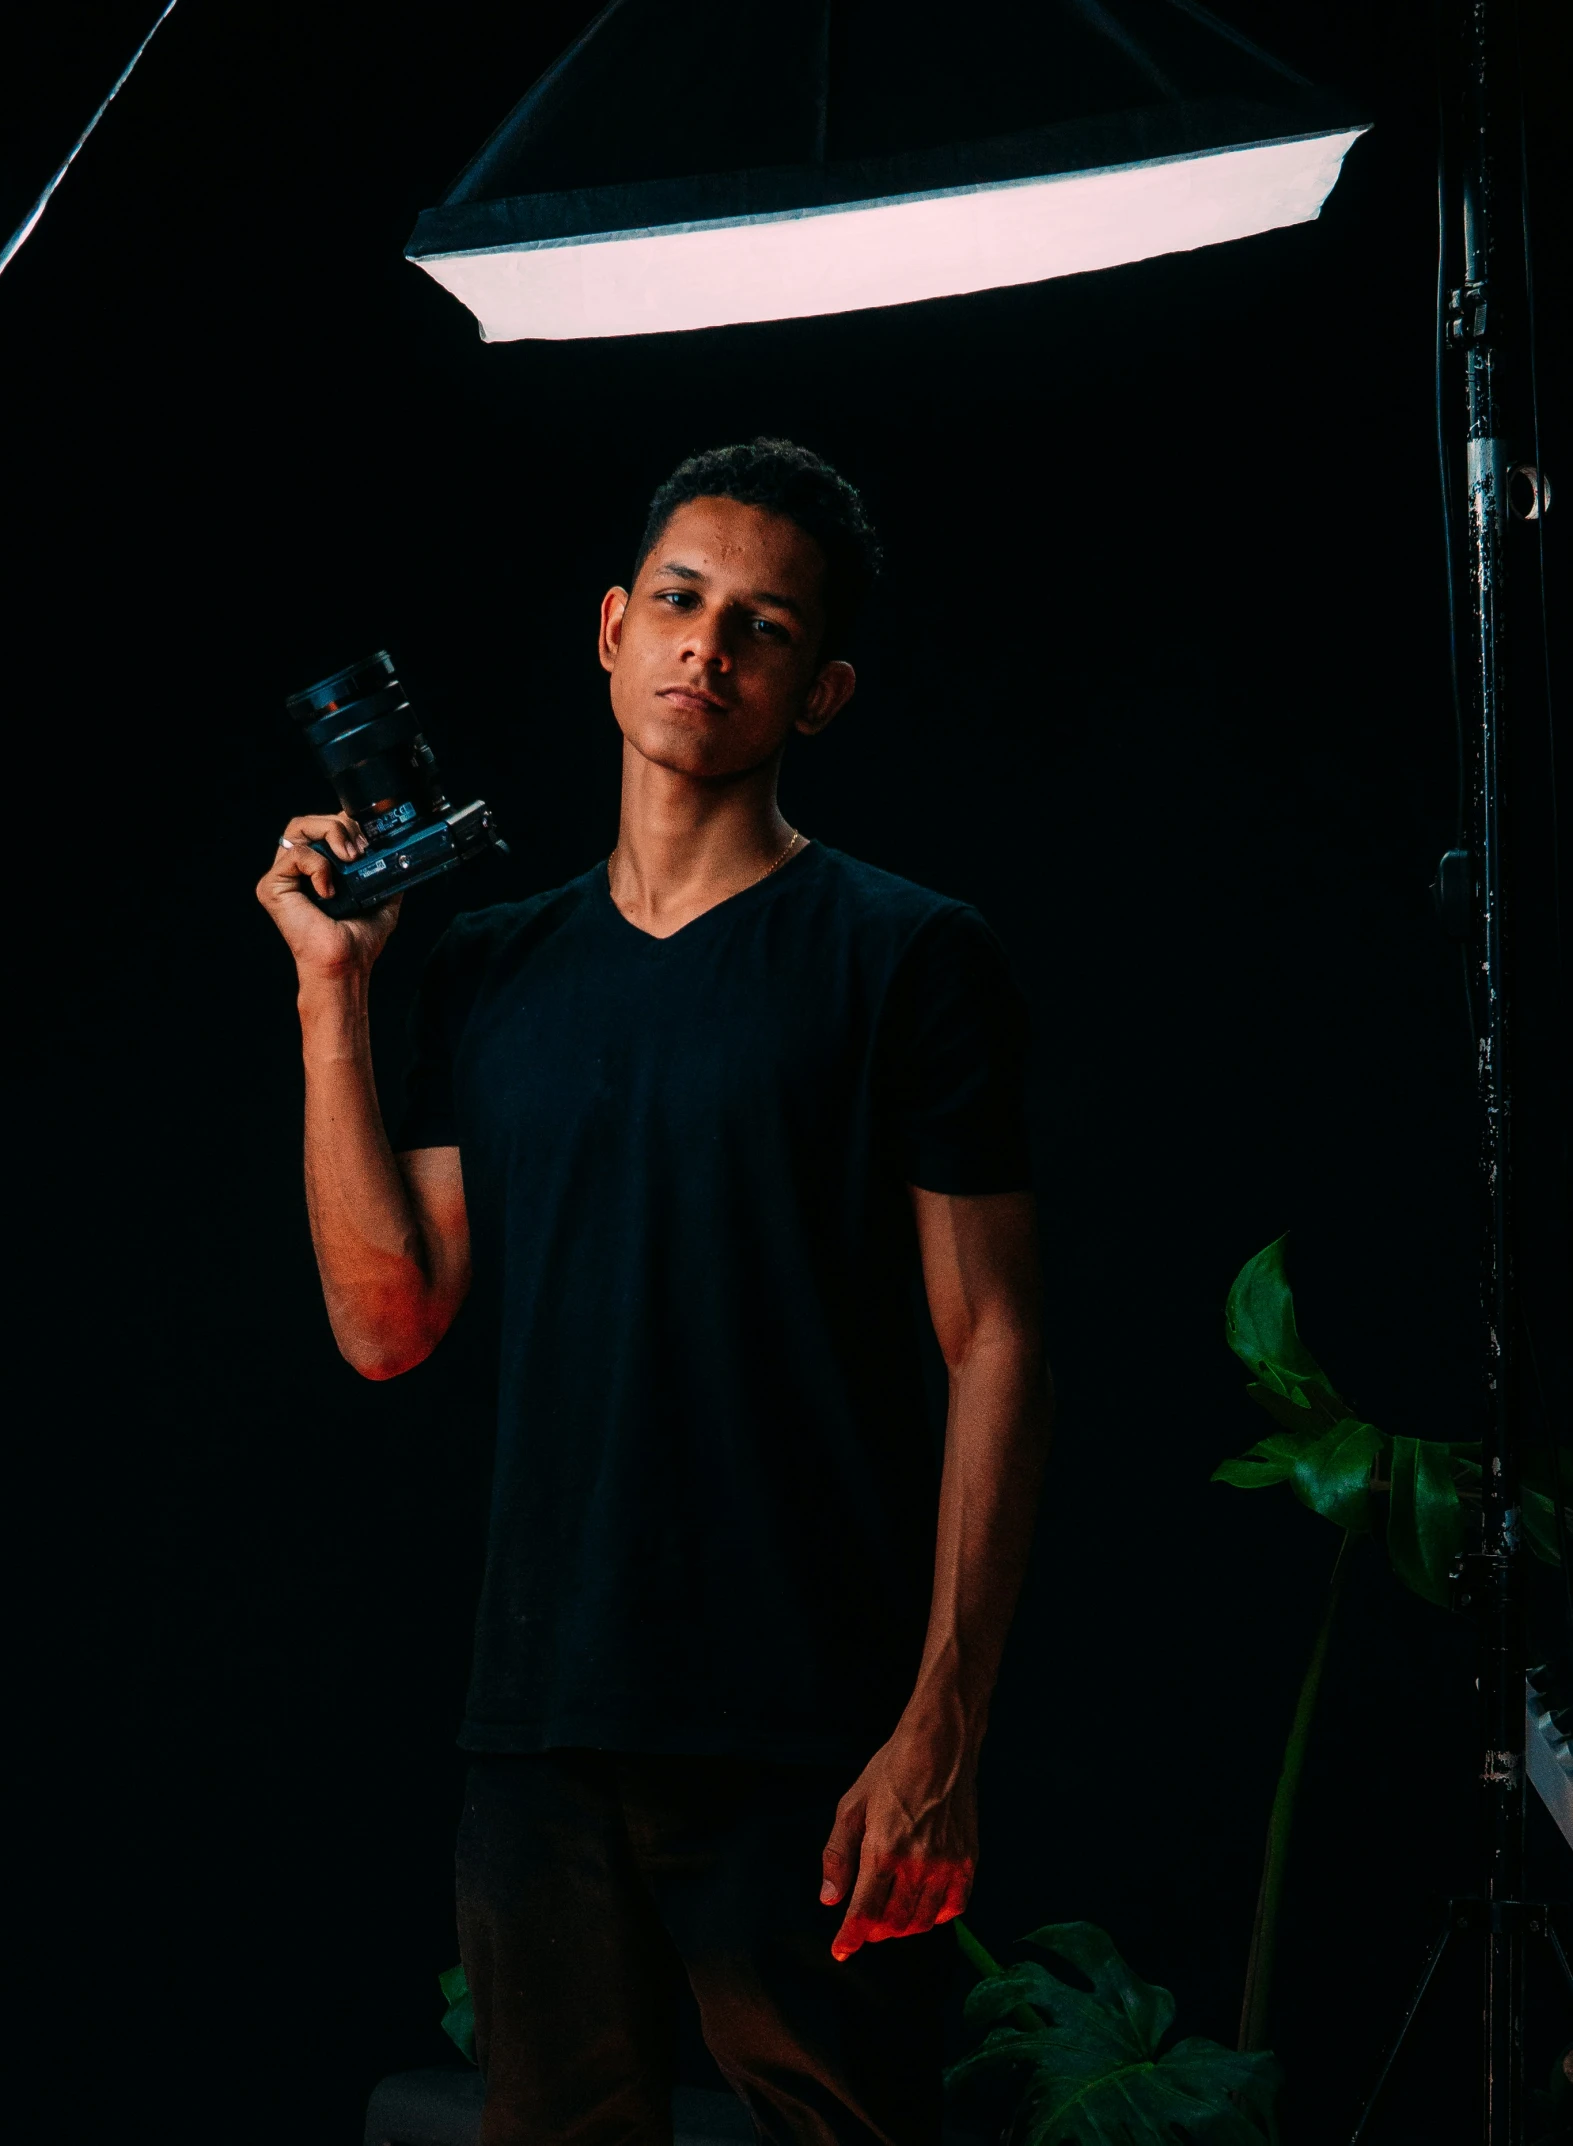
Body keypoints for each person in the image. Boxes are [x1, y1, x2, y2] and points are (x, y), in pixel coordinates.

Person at [257, 439, 1053, 2146]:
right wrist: (337, 1000)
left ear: (818, 691)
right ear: (612, 631)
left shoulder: (906, 955)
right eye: (681, 604)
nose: (710, 647)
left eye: (762, 627)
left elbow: (995, 1340)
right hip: (544, 1717)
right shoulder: (485, 968)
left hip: (809, 1726)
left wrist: (944, 1722)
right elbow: (390, 1324)